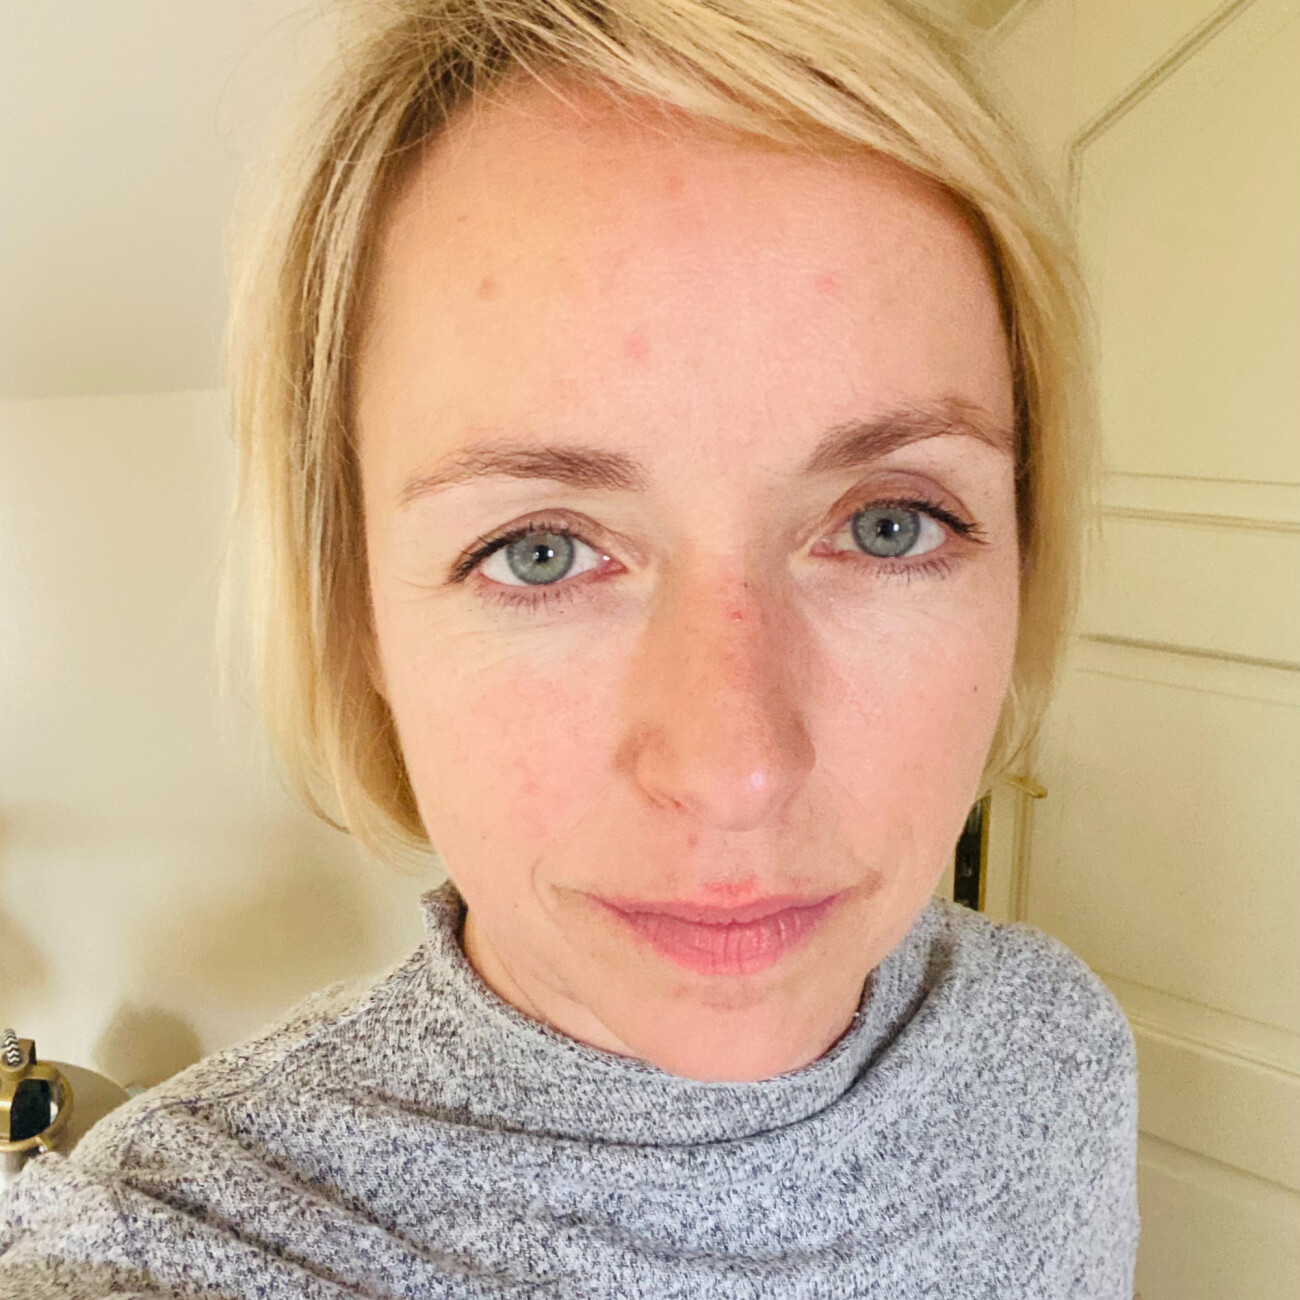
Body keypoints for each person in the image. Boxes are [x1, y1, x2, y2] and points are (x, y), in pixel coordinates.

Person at [0, 0, 1137, 1295]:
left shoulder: (1053, 1043)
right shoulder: (180, 1245)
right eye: (539, 550)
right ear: (356, 613)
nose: (737, 770)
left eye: (890, 525)